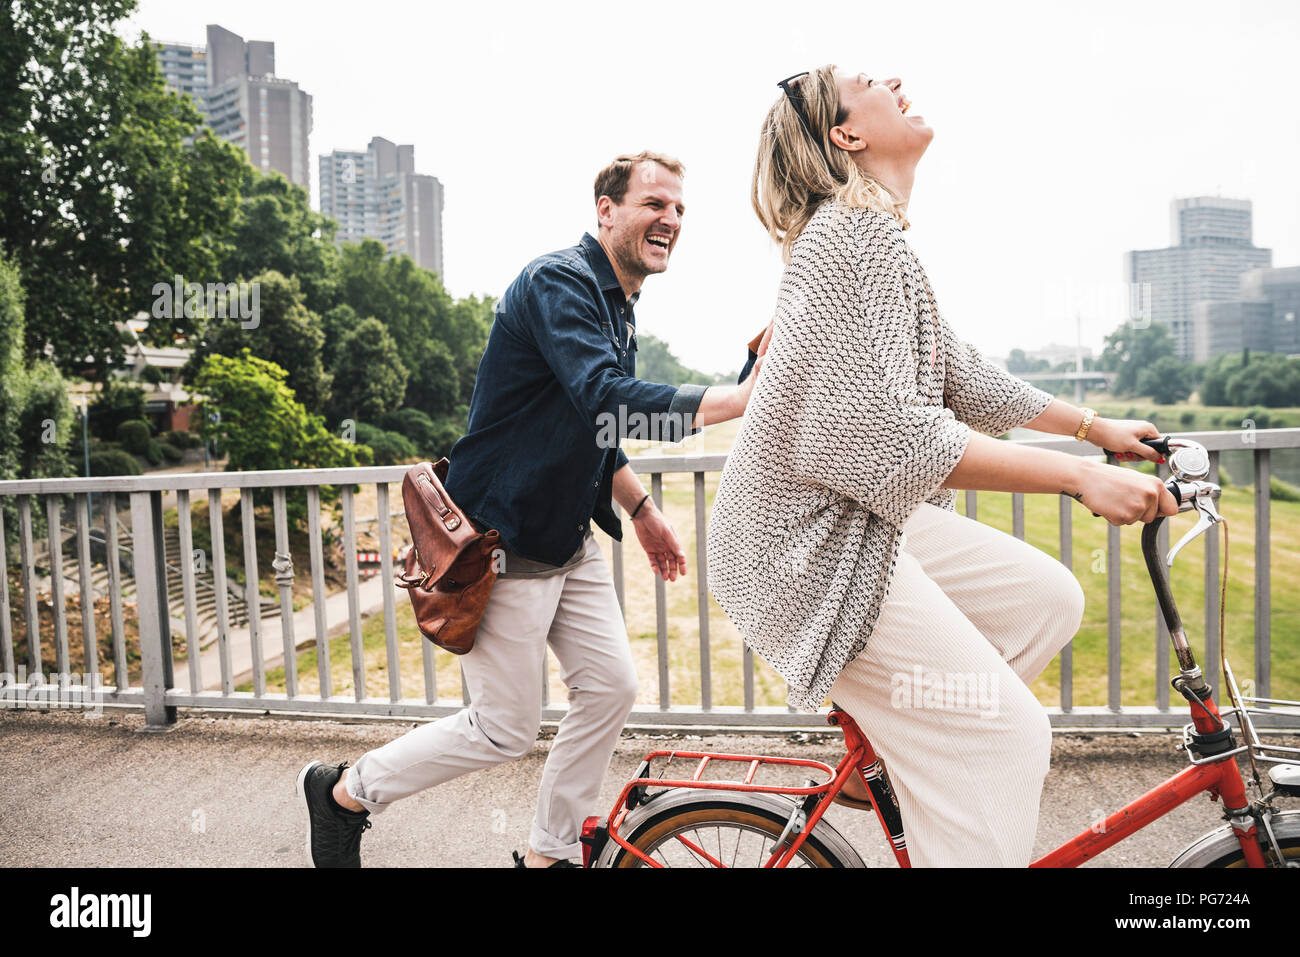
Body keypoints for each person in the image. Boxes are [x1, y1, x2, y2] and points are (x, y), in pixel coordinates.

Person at [707, 67, 1180, 866]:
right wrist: (1077, 476)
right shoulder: (845, 240)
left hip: (845, 521)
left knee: (1046, 600)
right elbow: (890, 437)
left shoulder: (872, 237)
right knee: (1007, 741)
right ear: (845, 135)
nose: (893, 79)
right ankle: (939, 762)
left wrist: (1096, 428)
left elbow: (958, 371)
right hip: (804, 550)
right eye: (868, 81)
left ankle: (908, 745)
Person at [297, 151, 763, 867]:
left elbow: (589, 426)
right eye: (654, 203)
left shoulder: (616, 305)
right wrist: (735, 399)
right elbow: (608, 398)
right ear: (606, 210)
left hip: (566, 539)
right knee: (502, 729)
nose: (669, 218)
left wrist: (639, 509)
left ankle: (550, 854)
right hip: (502, 543)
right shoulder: (559, 283)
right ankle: (344, 791)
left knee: (610, 686)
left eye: (678, 209)